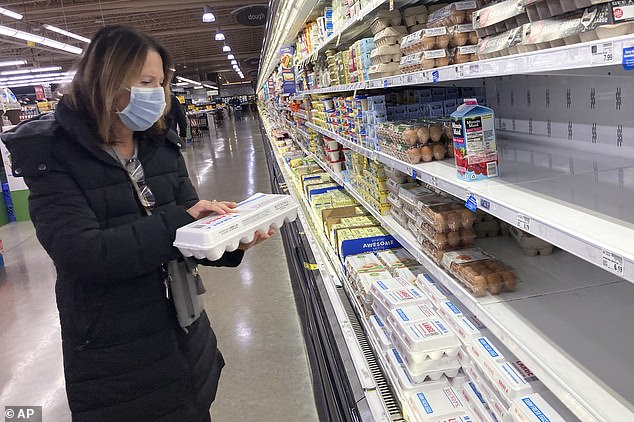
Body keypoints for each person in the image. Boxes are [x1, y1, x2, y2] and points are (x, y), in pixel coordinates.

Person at [1, 26, 273, 422]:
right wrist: (182, 220)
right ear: (106, 80)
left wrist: (229, 239)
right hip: (115, 357)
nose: (157, 94)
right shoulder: (53, 155)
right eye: (146, 82)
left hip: (185, 340)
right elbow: (86, 255)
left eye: (161, 83)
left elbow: (187, 226)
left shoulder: (160, 143)